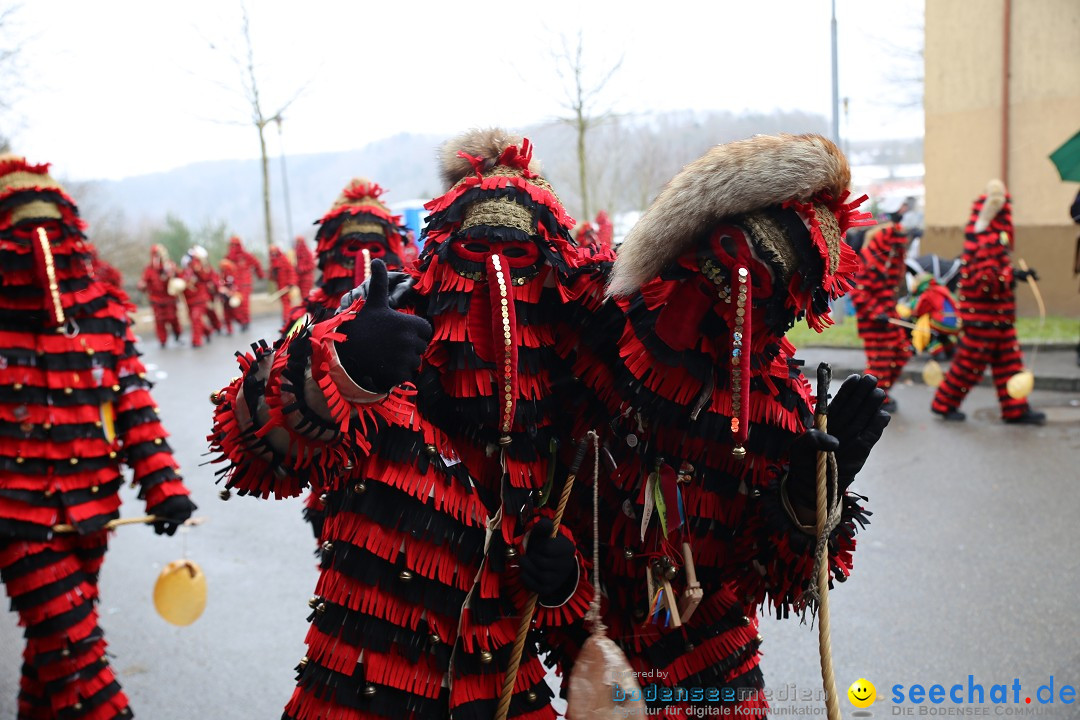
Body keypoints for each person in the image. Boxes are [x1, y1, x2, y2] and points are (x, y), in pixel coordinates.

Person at [207, 129, 599, 720]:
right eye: (477, 251)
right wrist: (348, 369)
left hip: (506, 692)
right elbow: (248, 447)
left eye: (522, 263)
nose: (500, 286)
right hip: (355, 689)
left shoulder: (564, 387)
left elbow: (579, 588)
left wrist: (564, 577)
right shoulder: (374, 326)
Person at [549, 133, 890, 715]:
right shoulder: (598, 308)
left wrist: (810, 499)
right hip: (595, 648)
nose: (729, 293)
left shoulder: (777, 411)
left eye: (762, 287)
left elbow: (782, 577)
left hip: (712, 670)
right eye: (729, 259)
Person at [0, 155, 196, 719]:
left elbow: (134, 405)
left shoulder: (102, 312)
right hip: (18, 522)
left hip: (93, 513)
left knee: (52, 654)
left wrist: (165, 491)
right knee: (76, 654)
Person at [931, 180, 1046, 424]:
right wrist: (1011, 276)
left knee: (1010, 366)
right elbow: (983, 280)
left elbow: (995, 272)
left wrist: (1016, 275)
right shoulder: (984, 242)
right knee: (968, 367)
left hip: (998, 320)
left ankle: (1015, 409)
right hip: (983, 322)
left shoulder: (994, 242)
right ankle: (944, 404)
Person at [851, 211, 912, 412]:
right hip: (873, 321)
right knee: (880, 362)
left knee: (901, 353)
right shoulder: (869, 263)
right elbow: (859, 294)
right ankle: (872, 398)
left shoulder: (890, 265)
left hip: (889, 316)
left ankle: (880, 393)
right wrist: (877, 312)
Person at [138, 244, 183, 348]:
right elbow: (144, 282)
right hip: (156, 299)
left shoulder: (170, 266)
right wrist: (142, 286)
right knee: (159, 321)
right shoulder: (149, 269)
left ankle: (177, 335)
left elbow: (179, 277)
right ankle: (163, 340)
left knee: (173, 318)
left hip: (169, 299)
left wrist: (173, 277)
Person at [224, 235, 264, 329]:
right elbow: (224, 271)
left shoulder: (246, 256)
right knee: (235, 305)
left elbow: (256, 263)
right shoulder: (228, 258)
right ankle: (241, 321)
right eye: (232, 245)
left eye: (235, 245)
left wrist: (260, 275)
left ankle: (245, 322)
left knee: (244, 304)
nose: (234, 247)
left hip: (245, 284)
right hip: (234, 285)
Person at [181, 246, 217, 348]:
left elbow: (207, 277)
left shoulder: (202, 268)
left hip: (199, 298)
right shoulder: (185, 271)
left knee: (196, 317)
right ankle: (207, 331)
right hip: (189, 300)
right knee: (194, 320)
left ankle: (196, 341)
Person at [268, 244, 298, 324]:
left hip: (286, 286)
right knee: (285, 303)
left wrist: (291, 283)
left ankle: (287, 319)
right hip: (280, 286)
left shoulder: (283, 259)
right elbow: (272, 277)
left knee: (286, 303)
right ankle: (287, 318)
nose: (273, 254)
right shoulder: (273, 262)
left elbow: (291, 271)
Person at [293, 235, 315, 302]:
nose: (298, 244)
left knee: (306, 296)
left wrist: (302, 269)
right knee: (303, 296)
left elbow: (312, 265)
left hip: (306, 278)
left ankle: (308, 309)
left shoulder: (307, 253)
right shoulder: (295, 253)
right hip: (299, 279)